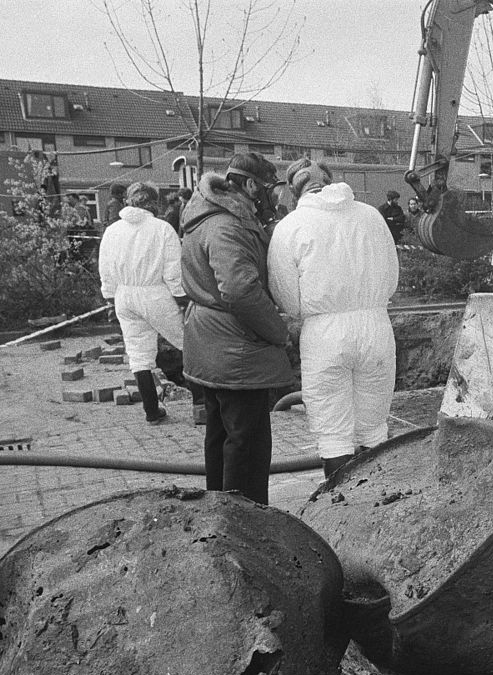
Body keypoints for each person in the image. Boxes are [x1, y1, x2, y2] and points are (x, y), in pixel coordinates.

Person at [269, 158, 399, 479]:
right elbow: (393, 276)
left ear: (293, 188)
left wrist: (307, 311)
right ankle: (378, 497)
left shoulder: (290, 226)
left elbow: (285, 294)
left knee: (333, 430)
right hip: (376, 328)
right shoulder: (371, 216)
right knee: (373, 426)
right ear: (330, 180)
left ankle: (339, 505)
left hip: (324, 332)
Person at [179, 152, 293, 505]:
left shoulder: (212, 217)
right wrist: (280, 332)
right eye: (269, 188)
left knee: (221, 436)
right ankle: (247, 520)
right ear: (249, 185)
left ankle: (219, 512)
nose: (271, 198)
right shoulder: (226, 226)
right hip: (235, 351)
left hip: (212, 345)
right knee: (247, 444)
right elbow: (240, 290)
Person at [97, 182, 186, 424]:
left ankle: (151, 410)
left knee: (138, 354)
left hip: (124, 296)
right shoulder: (162, 228)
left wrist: (109, 298)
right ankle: (202, 403)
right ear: (153, 202)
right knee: (188, 343)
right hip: (155, 293)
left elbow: (105, 269)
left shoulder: (112, 231)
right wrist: (181, 298)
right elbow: (173, 270)